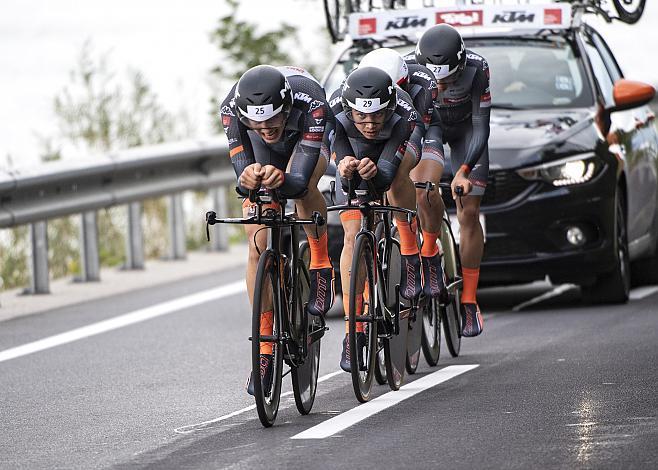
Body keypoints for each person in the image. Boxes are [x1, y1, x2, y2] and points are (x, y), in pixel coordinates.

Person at [219, 65, 335, 394]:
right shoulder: (231, 110)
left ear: (285, 108)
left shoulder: (311, 103)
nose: (266, 128)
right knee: (257, 245)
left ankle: (321, 262)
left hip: (306, 141)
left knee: (304, 187)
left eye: (272, 119)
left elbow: (296, 180)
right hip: (262, 153)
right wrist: (248, 180)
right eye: (257, 121)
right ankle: (265, 349)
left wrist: (283, 178)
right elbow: (243, 176)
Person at [327, 66, 421, 371]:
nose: (369, 123)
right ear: (349, 109)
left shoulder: (403, 114)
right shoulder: (335, 115)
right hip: (353, 151)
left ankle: (409, 250)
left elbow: (385, 175)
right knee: (353, 237)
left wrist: (376, 173)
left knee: (394, 181)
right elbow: (341, 167)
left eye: (377, 115)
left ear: (389, 107)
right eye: (362, 116)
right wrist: (345, 167)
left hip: (393, 150)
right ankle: (352, 331)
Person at [409, 24, 491, 337]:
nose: (441, 87)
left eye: (449, 79)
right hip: (429, 130)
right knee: (422, 190)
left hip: (466, 132)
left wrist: (464, 169)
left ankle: (469, 299)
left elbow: (481, 126)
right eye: (435, 81)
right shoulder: (409, 69)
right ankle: (429, 253)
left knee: (468, 210)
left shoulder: (477, 67)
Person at [360, 48, 449, 302]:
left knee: (422, 189)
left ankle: (429, 251)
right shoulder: (357, 85)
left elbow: (412, 135)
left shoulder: (423, 82)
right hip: (377, 131)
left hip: (418, 129)